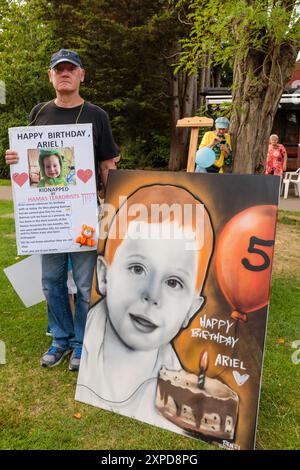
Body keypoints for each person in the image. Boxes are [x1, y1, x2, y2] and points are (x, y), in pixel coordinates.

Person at [5, 49, 119, 371]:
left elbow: (108, 164)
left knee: (84, 284)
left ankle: (82, 343)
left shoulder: (96, 115)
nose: (65, 73)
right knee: (51, 282)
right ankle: (60, 339)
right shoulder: (39, 111)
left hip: (83, 215)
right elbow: (28, 159)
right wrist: (15, 160)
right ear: (50, 76)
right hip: (47, 218)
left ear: (82, 75)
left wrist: (109, 202)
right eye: (59, 69)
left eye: (72, 68)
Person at [76, 184, 214, 431]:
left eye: (173, 282)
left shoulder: (183, 406)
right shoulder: (85, 350)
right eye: (137, 268)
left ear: (191, 311)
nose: (152, 295)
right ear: (104, 276)